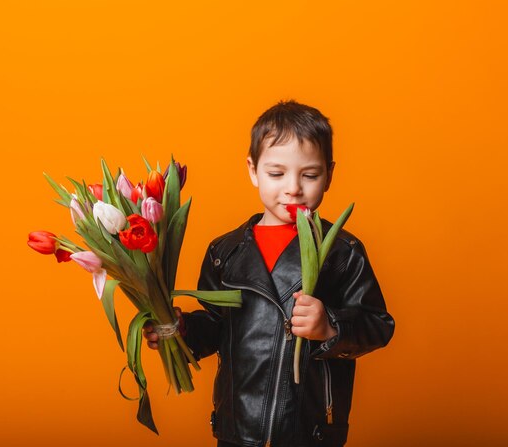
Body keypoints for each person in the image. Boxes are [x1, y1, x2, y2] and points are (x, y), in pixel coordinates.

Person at [144, 100, 395, 447]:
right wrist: (180, 330)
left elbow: (378, 325)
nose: (293, 187)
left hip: (310, 430)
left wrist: (331, 326)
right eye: (276, 173)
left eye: (310, 174)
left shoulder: (341, 251)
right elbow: (216, 327)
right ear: (253, 170)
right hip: (237, 427)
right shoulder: (225, 252)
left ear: (330, 173)